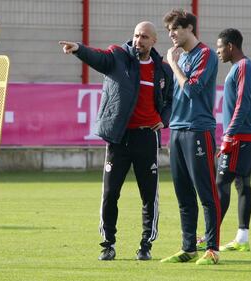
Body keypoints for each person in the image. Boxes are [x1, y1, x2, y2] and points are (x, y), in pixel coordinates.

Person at [59, 21, 173, 261]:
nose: (138, 40)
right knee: (110, 193)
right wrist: (79, 48)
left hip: (146, 137)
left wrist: (164, 119)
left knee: (148, 195)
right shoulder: (118, 57)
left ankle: (146, 245)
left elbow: (171, 100)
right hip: (119, 137)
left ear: (154, 41)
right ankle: (108, 244)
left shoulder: (163, 69)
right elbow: (98, 58)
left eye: (144, 37)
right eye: (135, 35)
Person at [160, 9, 221, 265]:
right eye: (169, 30)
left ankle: (212, 249)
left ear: (189, 28)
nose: (171, 34)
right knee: (183, 193)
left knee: (206, 192)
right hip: (176, 130)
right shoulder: (182, 56)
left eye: (175, 28)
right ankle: (188, 248)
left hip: (198, 129)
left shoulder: (205, 55)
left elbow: (193, 90)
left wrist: (172, 64)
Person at [215, 28, 251, 251]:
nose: (218, 51)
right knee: (242, 183)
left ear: (230, 46)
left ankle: (210, 236)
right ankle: (242, 237)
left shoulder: (243, 67)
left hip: (239, 136)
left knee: (221, 183)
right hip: (243, 135)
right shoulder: (240, 67)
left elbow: (243, 104)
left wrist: (229, 134)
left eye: (220, 47)